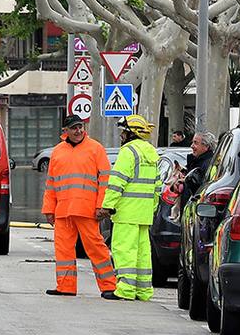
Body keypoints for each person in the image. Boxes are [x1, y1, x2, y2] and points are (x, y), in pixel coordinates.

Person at [42, 114, 119, 298]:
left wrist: (102, 206)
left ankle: (109, 286)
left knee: (96, 248)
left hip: (87, 210)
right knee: (63, 250)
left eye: (80, 127)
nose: (78, 131)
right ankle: (65, 286)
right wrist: (48, 209)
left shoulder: (95, 149)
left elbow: (105, 180)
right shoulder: (58, 151)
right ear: (65, 131)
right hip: (63, 210)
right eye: (74, 128)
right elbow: (51, 183)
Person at [102, 115, 161, 301]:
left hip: (126, 212)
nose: (121, 136)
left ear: (131, 134)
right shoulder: (151, 153)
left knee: (124, 249)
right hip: (143, 213)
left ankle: (126, 289)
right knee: (143, 253)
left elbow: (117, 181)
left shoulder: (128, 152)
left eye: (124, 132)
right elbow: (157, 186)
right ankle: (143, 291)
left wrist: (108, 205)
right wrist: (151, 208)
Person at [178, 131, 217, 216]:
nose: (192, 146)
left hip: (197, 214)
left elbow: (199, 190)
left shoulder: (207, 165)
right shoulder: (196, 162)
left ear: (206, 147)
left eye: (195, 143)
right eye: (192, 142)